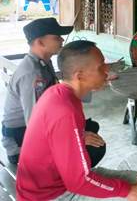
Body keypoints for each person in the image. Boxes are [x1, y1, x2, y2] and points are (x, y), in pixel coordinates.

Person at [16, 40, 137, 201]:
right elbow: (78, 182)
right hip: (49, 195)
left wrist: (79, 136)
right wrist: (126, 191)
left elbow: (53, 136)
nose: (107, 70)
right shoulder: (65, 111)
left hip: (58, 182)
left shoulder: (60, 93)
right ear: (80, 75)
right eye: (101, 67)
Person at [1, 17, 105, 166]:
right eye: (56, 37)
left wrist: (93, 80)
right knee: (94, 149)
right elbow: (34, 125)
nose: (62, 40)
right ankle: (69, 180)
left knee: (90, 128)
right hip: (22, 145)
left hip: (31, 129)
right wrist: (77, 138)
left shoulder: (43, 62)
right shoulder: (32, 74)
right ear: (40, 42)